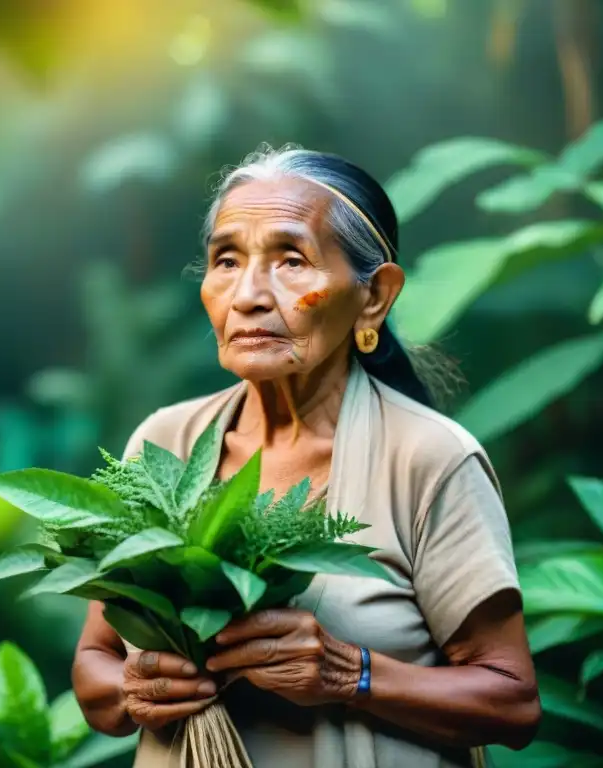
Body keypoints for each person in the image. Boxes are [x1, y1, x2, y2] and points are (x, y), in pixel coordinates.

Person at [71, 146, 541, 768]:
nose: (248, 296)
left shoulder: (429, 460)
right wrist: (138, 690)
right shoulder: (165, 445)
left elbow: (512, 704)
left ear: (374, 297)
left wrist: (352, 674)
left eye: (292, 260)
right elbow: (95, 670)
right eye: (226, 260)